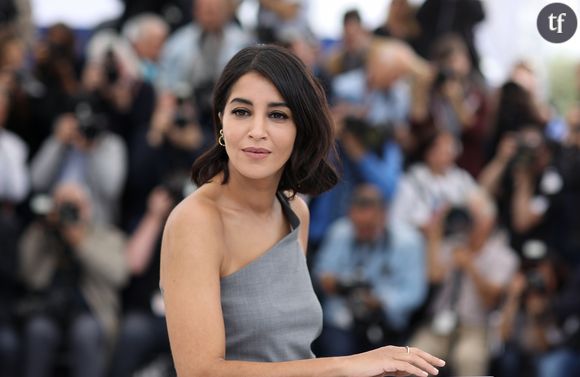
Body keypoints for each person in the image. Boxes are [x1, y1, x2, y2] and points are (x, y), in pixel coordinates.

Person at [160, 44, 445, 377]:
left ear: (301, 129)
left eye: (278, 115)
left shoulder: (295, 211)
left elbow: (291, 358)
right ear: (221, 120)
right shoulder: (195, 221)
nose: (257, 130)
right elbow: (200, 372)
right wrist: (346, 366)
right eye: (241, 111)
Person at [18, 182, 128, 377]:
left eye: (75, 205)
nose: (68, 212)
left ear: (88, 208)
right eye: (63, 205)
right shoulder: (45, 234)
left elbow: (119, 275)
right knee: (38, 330)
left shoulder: (107, 236)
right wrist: (41, 228)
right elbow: (26, 273)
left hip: (91, 311)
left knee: (85, 333)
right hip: (49, 309)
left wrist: (80, 243)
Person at [314, 184, 427, 356]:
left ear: (384, 216)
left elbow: (414, 292)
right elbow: (321, 272)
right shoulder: (340, 231)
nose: (363, 232)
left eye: (369, 227)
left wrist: (380, 300)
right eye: (358, 227)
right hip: (342, 316)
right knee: (335, 352)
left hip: (384, 322)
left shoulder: (408, 242)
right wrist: (334, 283)